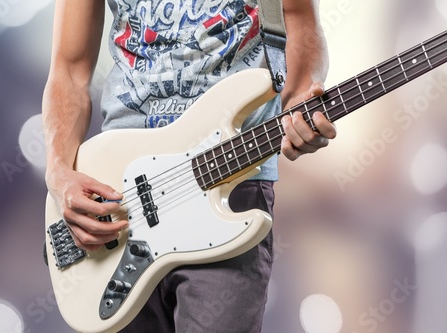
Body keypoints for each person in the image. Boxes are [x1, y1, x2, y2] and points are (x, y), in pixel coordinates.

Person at [42, 0, 337, 331]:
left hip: (228, 181)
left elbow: (298, 19)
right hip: (119, 194)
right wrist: (58, 171)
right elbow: (68, 68)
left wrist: (300, 104)